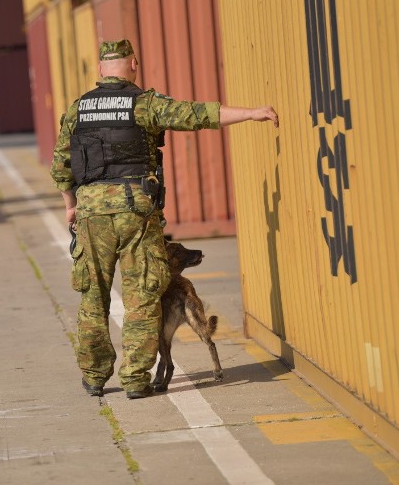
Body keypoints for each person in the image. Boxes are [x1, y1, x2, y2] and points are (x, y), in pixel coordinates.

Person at [51, 39, 278, 399]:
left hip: (92, 212)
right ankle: (136, 378)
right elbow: (198, 114)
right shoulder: (143, 104)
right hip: (136, 210)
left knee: (93, 297)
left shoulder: (77, 111)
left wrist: (71, 206)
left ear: (100, 69)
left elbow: (61, 168)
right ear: (134, 64)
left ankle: (94, 377)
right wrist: (251, 113)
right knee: (141, 294)